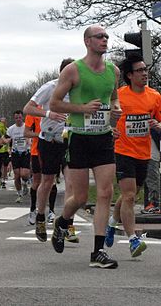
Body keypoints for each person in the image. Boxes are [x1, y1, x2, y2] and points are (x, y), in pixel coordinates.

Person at [49, 25, 122, 268]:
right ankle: (62, 221)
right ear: (87, 41)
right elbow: (55, 104)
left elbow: (113, 97)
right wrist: (82, 108)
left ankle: (97, 252)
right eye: (100, 37)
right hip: (79, 138)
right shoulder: (73, 71)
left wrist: (115, 106)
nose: (105, 40)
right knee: (79, 197)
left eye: (106, 37)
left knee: (105, 193)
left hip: (103, 137)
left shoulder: (114, 71)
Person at [106, 55, 161, 258]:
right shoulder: (119, 96)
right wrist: (110, 129)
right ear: (130, 75)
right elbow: (106, 118)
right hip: (123, 151)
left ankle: (112, 224)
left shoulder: (154, 96)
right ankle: (133, 239)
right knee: (130, 196)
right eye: (140, 70)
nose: (144, 73)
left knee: (128, 196)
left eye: (145, 69)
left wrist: (159, 126)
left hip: (144, 153)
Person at [23, 57, 78, 243]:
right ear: (62, 73)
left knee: (72, 183)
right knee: (47, 181)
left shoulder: (79, 90)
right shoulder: (49, 87)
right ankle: (40, 216)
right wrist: (48, 113)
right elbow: (27, 109)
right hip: (49, 140)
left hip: (70, 141)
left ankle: (68, 223)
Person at [5, 110, 32, 203]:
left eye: (20, 117)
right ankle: (19, 193)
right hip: (15, 153)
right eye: (16, 118)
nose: (18, 120)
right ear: (14, 118)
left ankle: (25, 183)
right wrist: (6, 143)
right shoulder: (11, 129)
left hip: (25, 152)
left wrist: (29, 141)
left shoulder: (26, 127)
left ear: (22, 117)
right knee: (16, 174)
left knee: (24, 174)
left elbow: (31, 137)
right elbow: (6, 139)